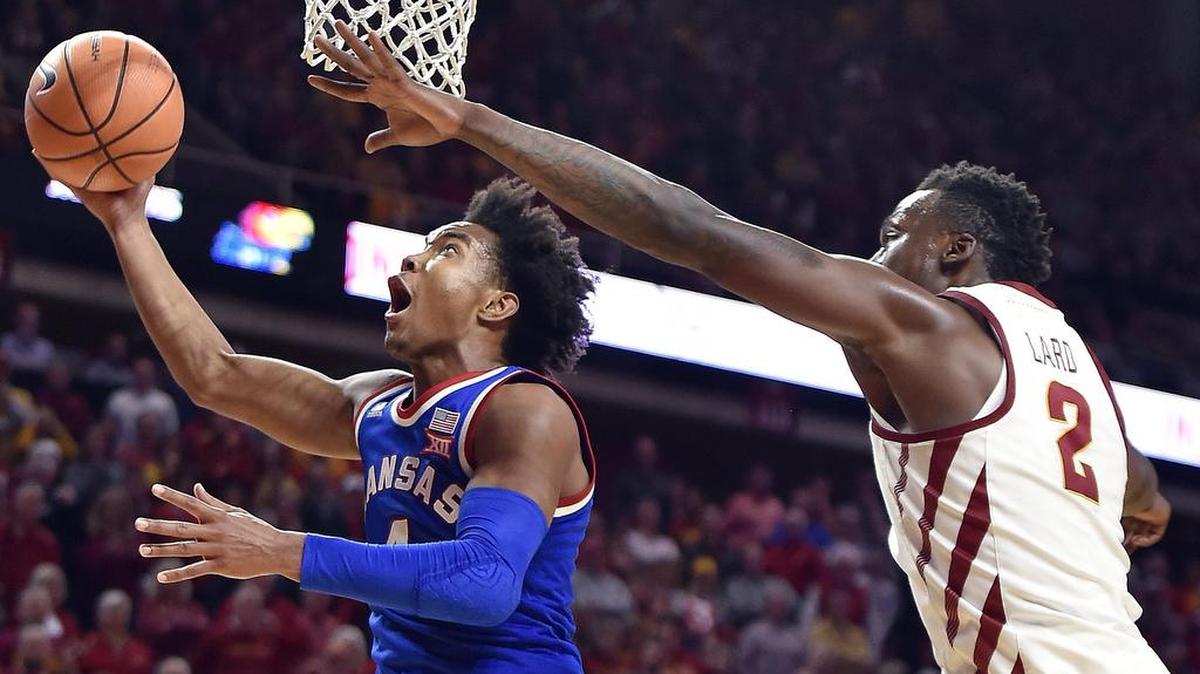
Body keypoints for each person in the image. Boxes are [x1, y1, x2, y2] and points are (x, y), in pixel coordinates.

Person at [308, 22, 1171, 672]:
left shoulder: (932, 326)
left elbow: (698, 232)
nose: (873, 260)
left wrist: (469, 120)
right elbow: (1145, 492)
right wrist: (1128, 513)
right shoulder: (1078, 368)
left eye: (895, 234)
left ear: (955, 253)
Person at [68, 172, 597, 673]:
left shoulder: (525, 408)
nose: (413, 258)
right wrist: (126, 221)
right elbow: (215, 376)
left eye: (448, 250)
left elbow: (484, 581)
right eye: (424, 245)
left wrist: (278, 550)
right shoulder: (378, 404)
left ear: (497, 304)